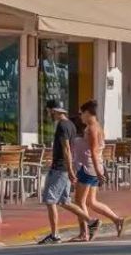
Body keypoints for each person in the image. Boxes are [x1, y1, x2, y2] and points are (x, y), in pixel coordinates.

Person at [36, 99, 91, 245]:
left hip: (60, 169)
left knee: (50, 200)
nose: (48, 114)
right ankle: (90, 221)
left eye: (48, 111)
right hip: (64, 168)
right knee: (65, 201)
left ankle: (55, 235)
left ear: (53, 111)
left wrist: (70, 170)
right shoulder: (71, 125)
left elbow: (66, 148)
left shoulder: (62, 126)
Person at [72, 99, 125, 239]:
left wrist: (98, 171)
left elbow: (94, 151)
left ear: (88, 113)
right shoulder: (96, 127)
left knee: (79, 202)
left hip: (88, 168)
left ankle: (84, 232)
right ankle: (116, 219)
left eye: (81, 113)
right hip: (94, 168)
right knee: (91, 202)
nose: (80, 116)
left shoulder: (92, 129)